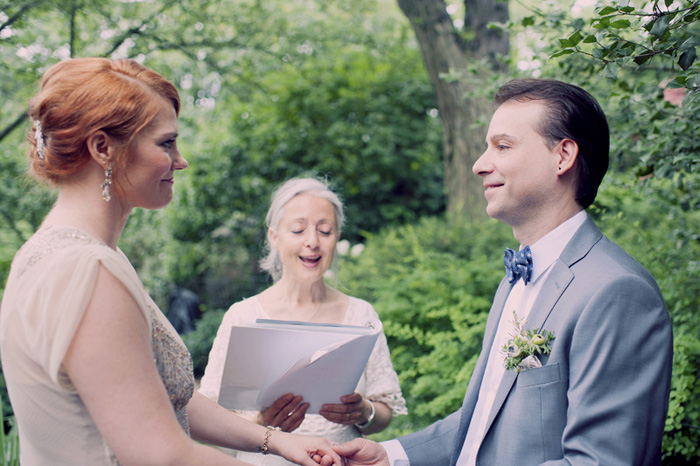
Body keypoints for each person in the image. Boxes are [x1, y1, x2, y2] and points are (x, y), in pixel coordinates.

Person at [0, 57, 342, 466]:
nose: (180, 160)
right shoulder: (87, 272)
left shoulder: (63, 253)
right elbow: (162, 456)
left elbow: (164, 399)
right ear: (103, 147)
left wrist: (273, 440)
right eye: (166, 143)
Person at [334, 78, 673, 465]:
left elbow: (599, 461)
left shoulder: (616, 292)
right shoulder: (516, 279)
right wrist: (390, 456)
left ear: (562, 156)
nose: (480, 165)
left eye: (503, 146)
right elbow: (484, 421)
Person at [199, 176, 408, 465]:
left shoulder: (362, 315)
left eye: (325, 231)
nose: (312, 242)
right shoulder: (243, 316)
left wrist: (363, 412)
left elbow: (384, 412)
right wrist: (259, 423)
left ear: (336, 237)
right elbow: (207, 414)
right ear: (274, 237)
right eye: (298, 230)